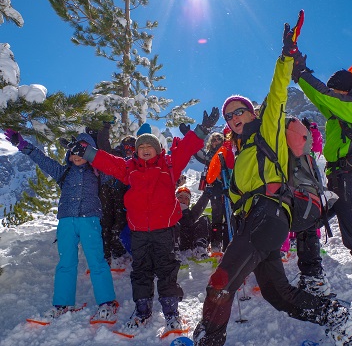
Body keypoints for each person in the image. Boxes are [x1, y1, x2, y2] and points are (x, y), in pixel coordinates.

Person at [192, 19, 352, 346]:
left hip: (270, 212)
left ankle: (208, 340)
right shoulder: (239, 149)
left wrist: (286, 56)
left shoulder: (267, 128)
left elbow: (276, 91)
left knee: (221, 280)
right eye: (229, 115)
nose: (234, 117)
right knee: (279, 294)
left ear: (251, 113)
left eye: (239, 111)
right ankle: (341, 319)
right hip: (253, 223)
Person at [67, 110, 219, 332]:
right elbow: (106, 161)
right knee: (141, 271)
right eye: (141, 148)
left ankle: (171, 312)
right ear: (136, 152)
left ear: (157, 150)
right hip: (139, 231)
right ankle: (142, 310)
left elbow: (186, 148)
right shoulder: (129, 168)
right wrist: (85, 151)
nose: (145, 150)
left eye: (150, 147)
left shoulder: (168, 166)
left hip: (164, 231)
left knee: (167, 270)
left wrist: (202, 130)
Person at [292, 54, 352, 322]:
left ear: (343, 91)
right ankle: (315, 280)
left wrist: (300, 72)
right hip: (338, 179)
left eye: (335, 91)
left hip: (349, 179)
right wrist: (303, 73)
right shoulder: (342, 110)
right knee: (309, 221)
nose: (331, 94)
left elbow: (322, 95)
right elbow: (320, 98)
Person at [3, 129, 118, 323]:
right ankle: (63, 304)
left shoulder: (99, 173)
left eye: (82, 152)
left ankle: (107, 303)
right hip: (66, 222)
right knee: (66, 263)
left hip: (89, 221)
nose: (77, 156)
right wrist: (22, 144)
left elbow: (115, 167)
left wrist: (94, 154)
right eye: (74, 152)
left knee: (97, 262)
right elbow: (42, 159)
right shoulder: (63, 172)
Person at [96, 121, 135, 267]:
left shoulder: (135, 163)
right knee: (105, 222)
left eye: (132, 147)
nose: (129, 150)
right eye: (127, 147)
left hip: (123, 193)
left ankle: (117, 252)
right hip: (107, 190)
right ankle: (106, 255)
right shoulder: (115, 156)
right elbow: (103, 145)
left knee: (119, 223)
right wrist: (104, 126)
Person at [192, 132, 227, 252]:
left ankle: (228, 244)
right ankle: (216, 244)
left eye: (218, 139)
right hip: (214, 188)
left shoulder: (226, 153)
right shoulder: (208, 156)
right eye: (214, 139)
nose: (216, 141)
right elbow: (197, 153)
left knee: (228, 217)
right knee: (217, 216)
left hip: (227, 188)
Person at [174, 186, 211, 262]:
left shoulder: (190, 214)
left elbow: (200, 206)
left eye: (186, 198)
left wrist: (207, 194)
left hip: (189, 241)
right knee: (174, 225)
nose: (183, 200)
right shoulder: (170, 212)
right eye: (180, 197)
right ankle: (174, 253)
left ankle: (199, 248)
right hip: (176, 241)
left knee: (204, 219)